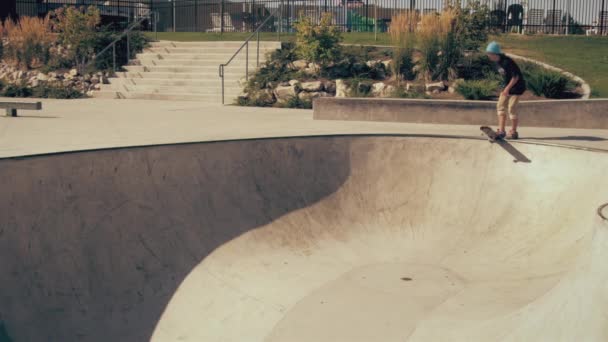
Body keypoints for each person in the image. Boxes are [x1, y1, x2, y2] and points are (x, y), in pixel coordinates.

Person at [486, 41, 526, 139]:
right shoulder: (497, 63)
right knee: (500, 106)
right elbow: (506, 77)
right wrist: (504, 88)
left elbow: (515, 77)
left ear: (495, 53)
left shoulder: (507, 62)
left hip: (517, 88)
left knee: (512, 108)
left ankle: (513, 132)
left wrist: (507, 89)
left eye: (489, 54)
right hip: (507, 88)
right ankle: (501, 131)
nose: (488, 56)